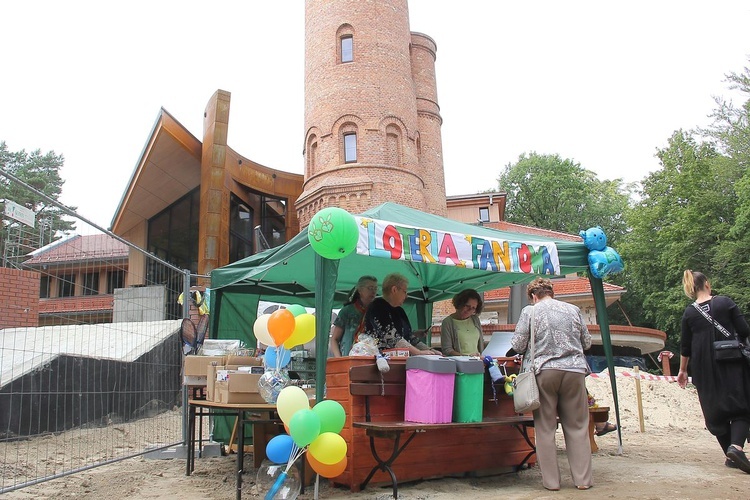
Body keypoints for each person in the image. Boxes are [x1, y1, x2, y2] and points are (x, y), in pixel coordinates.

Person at [511, 277, 593, 491]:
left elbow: (518, 345)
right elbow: (587, 342)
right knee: (577, 426)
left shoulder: (530, 311)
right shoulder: (573, 309)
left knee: (545, 428)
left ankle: (552, 483)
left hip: (545, 371)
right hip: (575, 370)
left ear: (533, 296)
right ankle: (583, 480)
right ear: (552, 293)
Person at [678, 269, 750, 472]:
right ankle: (736, 447)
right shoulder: (725, 302)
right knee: (741, 405)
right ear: (707, 284)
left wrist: (682, 370)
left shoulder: (689, 312)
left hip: (702, 367)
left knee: (714, 411)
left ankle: (731, 456)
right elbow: (744, 330)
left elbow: (685, 346)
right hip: (731, 360)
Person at [363, 272, 439, 356]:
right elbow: (392, 337)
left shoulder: (400, 311)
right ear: (394, 290)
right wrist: (419, 352)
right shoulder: (377, 307)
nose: (407, 296)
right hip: (380, 360)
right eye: (405, 291)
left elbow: (409, 337)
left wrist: (430, 350)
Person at [329, 275, 378, 357]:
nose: (373, 292)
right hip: (348, 357)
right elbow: (334, 339)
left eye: (375, 289)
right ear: (360, 290)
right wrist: (340, 359)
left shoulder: (377, 312)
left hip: (369, 358)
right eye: (370, 288)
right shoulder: (347, 311)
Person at [440, 288, 485, 356]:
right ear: (460, 303)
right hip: (459, 363)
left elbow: (481, 343)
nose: (469, 310)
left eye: (473, 308)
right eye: (467, 306)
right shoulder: (447, 322)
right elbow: (447, 350)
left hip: (477, 362)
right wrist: (465, 357)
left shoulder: (475, 320)